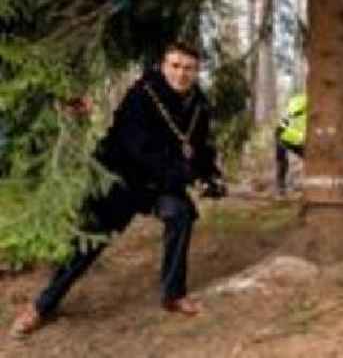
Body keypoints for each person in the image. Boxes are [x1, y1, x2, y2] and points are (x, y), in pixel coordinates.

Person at [10, 41, 226, 338]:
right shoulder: (141, 95)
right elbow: (136, 149)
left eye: (188, 68)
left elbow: (199, 146)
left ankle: (173, 294)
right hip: (120, 179)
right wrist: (184, 176)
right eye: (175, 66)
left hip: (160, 184)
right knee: (87, 244)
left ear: (197, 71)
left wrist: (210, 176)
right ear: (163, 66)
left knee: (180, 214)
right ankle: (42, 306)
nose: (181, 74)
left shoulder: (198, 104)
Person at [275, 92, 306, 195]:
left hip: (283, 135)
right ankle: (281, 186)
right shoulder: (310, 105)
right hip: (295, 138)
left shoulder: (296, 101)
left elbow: (282, 124)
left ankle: (281, 185)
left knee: (282, 161)